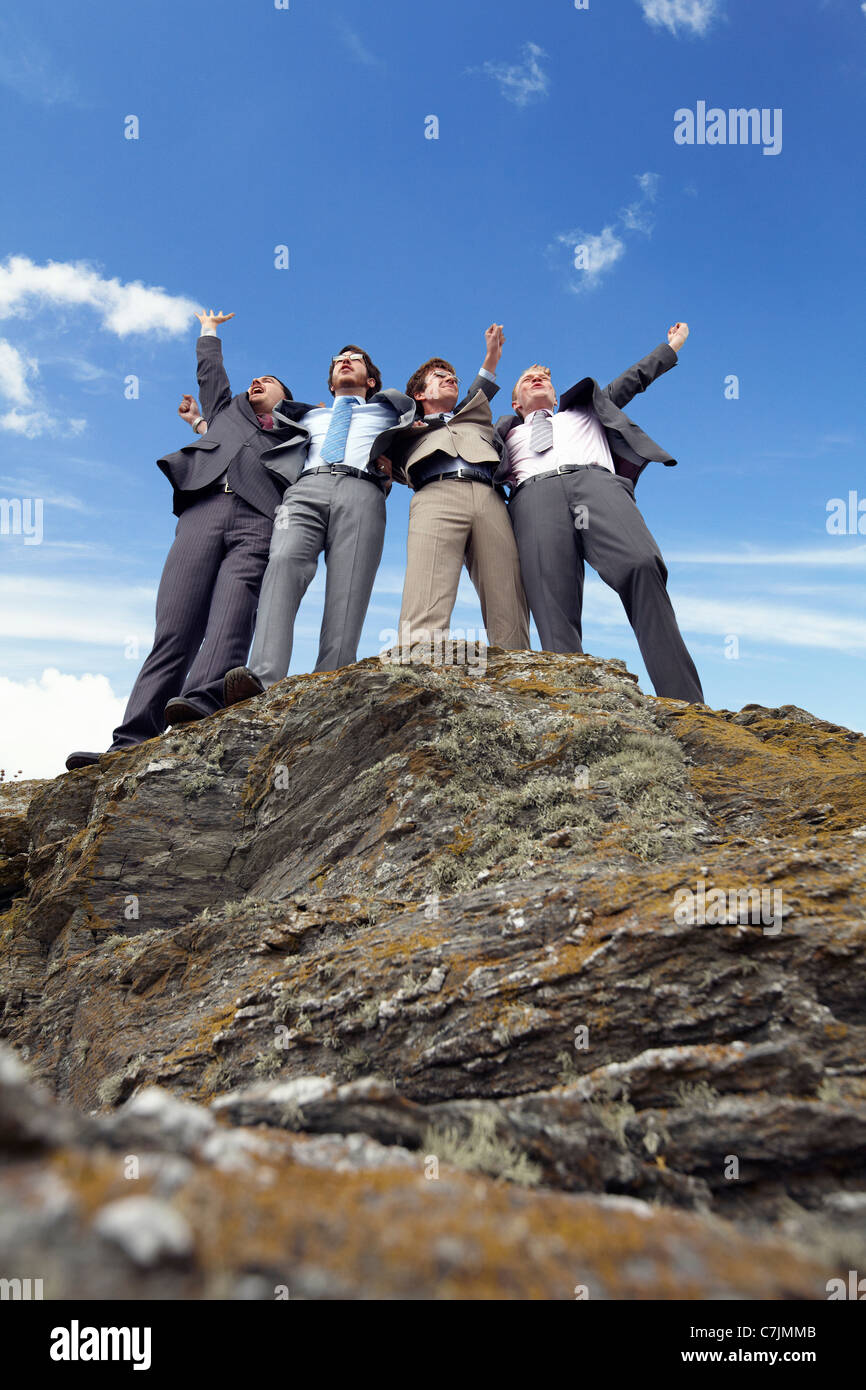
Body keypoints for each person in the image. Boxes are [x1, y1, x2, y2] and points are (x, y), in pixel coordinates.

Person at [65, 309, 303, 771]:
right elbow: (212, 374)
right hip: (203, 514)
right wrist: (208, 331)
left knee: (232, 618)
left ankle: (199, 711)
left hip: (259, 520)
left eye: (269, 380)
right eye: (255, 378)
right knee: (175, 628)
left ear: (285, 399)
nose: (258, 381)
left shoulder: (297, 431)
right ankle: (130, 740)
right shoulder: (227, 412)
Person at [493, 323, 703, 703]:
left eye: (544, 377)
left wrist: (671, 347)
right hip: (533, 498)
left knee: (642, 565)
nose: (538, 379)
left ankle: (685, 703)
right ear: (516, 403)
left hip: (596, 486)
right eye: (528, 379)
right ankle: (574, 711)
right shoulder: (503, 434)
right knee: (551, 605)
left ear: (555, 395)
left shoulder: (587, 411)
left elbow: (633, 379)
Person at [222, 346, 415, 706]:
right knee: (281, 564)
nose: (344, 361)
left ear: (370, 380)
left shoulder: (390, 413)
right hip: (304, 489)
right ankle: (263, 676)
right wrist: (200, 423)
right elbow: (243, 430)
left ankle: (330, 681)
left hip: (363, 490)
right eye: (338, 360)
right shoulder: (304, 417)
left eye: (354, 359)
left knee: (349, 587)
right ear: (330, 383)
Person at [388, 324, 529, 655]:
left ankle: (518, 669)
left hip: (489, 496)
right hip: (435, 494)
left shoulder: (472, 416)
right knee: (426, 588)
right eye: (440, 376)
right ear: (419, 395)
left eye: (454, 377)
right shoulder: (403, 428)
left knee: (506, 591)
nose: (450, 378)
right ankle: (417, 666)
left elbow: (481, 388)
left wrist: (492, 355)